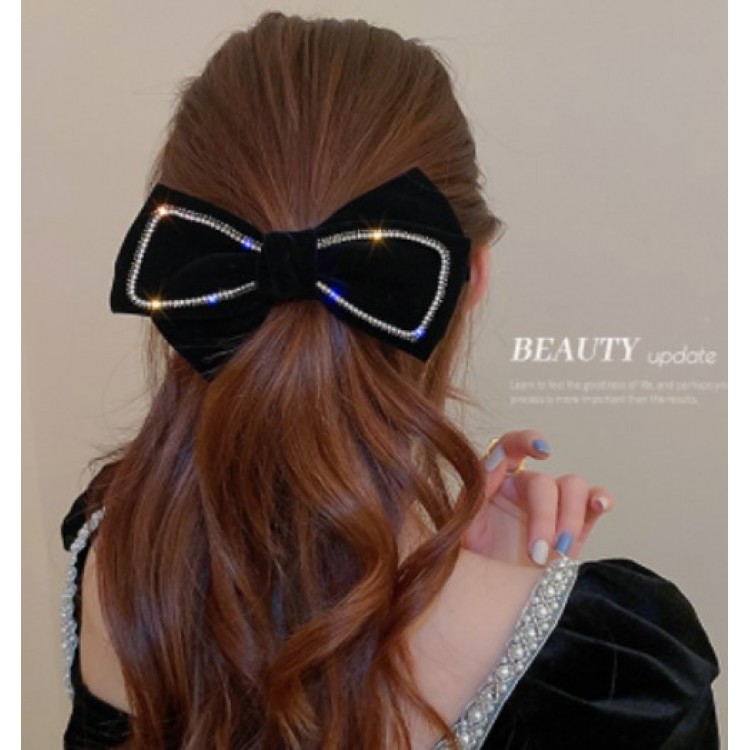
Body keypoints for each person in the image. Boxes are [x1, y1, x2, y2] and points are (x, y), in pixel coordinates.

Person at [59, 11, 720, 750]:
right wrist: (520, 609)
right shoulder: (619, 676)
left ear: (183, 268)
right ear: (469, 277)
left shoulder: (112, 564)